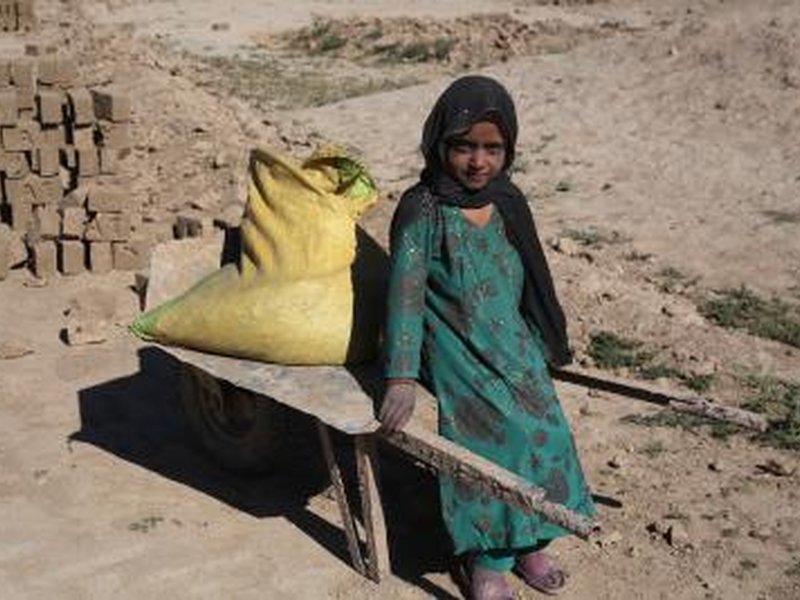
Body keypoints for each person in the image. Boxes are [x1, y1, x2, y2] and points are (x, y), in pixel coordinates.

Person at [379, 75, 595, 600]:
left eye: (493, 149)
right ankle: (487, 560)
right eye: (464, 147)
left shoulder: (507, 201)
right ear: (439, 144)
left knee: (549, 429)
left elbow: (529, 280)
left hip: (509, 343)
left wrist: (541, 341)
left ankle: (532, 540)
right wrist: (401, 377)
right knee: (497, 439)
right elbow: (405, 298)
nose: (478, 162)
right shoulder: (424, 209)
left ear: (509, 150)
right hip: (453, 346)